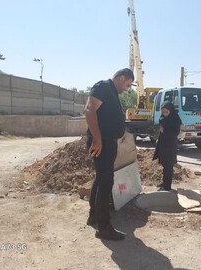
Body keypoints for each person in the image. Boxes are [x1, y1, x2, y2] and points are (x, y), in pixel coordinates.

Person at [85, 68, 134, 241]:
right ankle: (104, 227)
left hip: (107, 142)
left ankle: (94, 216)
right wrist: (97, 139)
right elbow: (89, 110)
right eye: (127, 84)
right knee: (105, 183)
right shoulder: (103, 86)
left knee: (101, 180)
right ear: (121, 78)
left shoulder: (111, 92)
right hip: (102, 143)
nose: (127, 89)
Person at [153, 101, 182, 191]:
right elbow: (161, 129)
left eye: (166, 112)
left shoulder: (175, 120)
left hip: (170, 146)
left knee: (169, 166)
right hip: (163, 145)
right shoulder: (162, 118)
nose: (164, 114)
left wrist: (164, 131)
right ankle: (164, 182)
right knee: (165, 165)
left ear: (171, 111)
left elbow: (175, 133)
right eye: (163, 112)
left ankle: (167, 186)